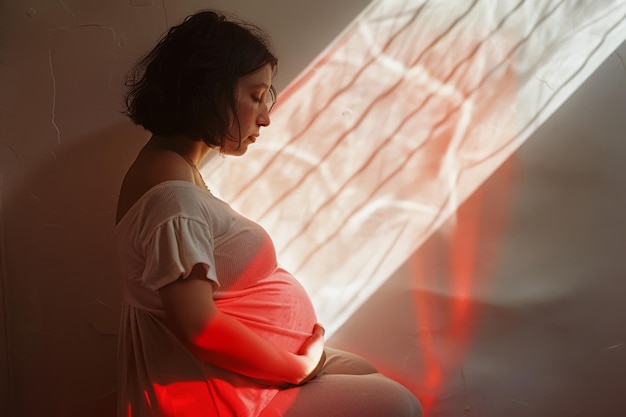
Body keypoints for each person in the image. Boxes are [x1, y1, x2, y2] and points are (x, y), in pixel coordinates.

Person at [115, 9, 422, 417]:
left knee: (365, 373)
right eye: (256, 96)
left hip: (246, 375)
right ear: (209, 90)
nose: (265, 116)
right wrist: (295, 367)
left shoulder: (176, 173)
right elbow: (199, 327)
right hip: (219, 391)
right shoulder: (172, 198)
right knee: (398, 406)